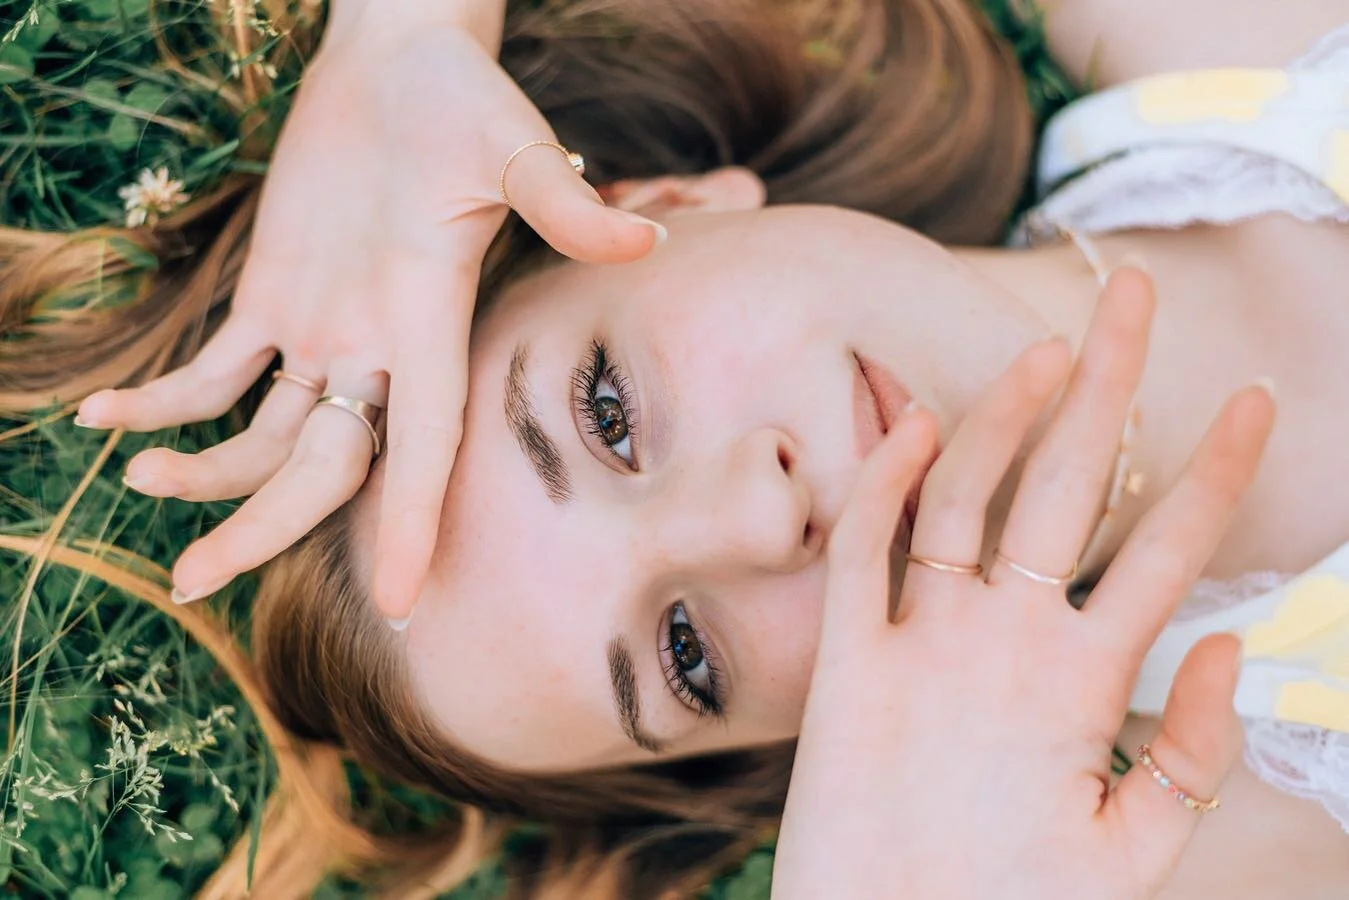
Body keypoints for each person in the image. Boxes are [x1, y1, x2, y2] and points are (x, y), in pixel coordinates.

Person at [4, 0, 1347, 896]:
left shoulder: (1211, 27)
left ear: (669, 206)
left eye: (604, 412)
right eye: (688, 656)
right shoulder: (1263, 834)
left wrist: (405, 45)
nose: (758, 520)